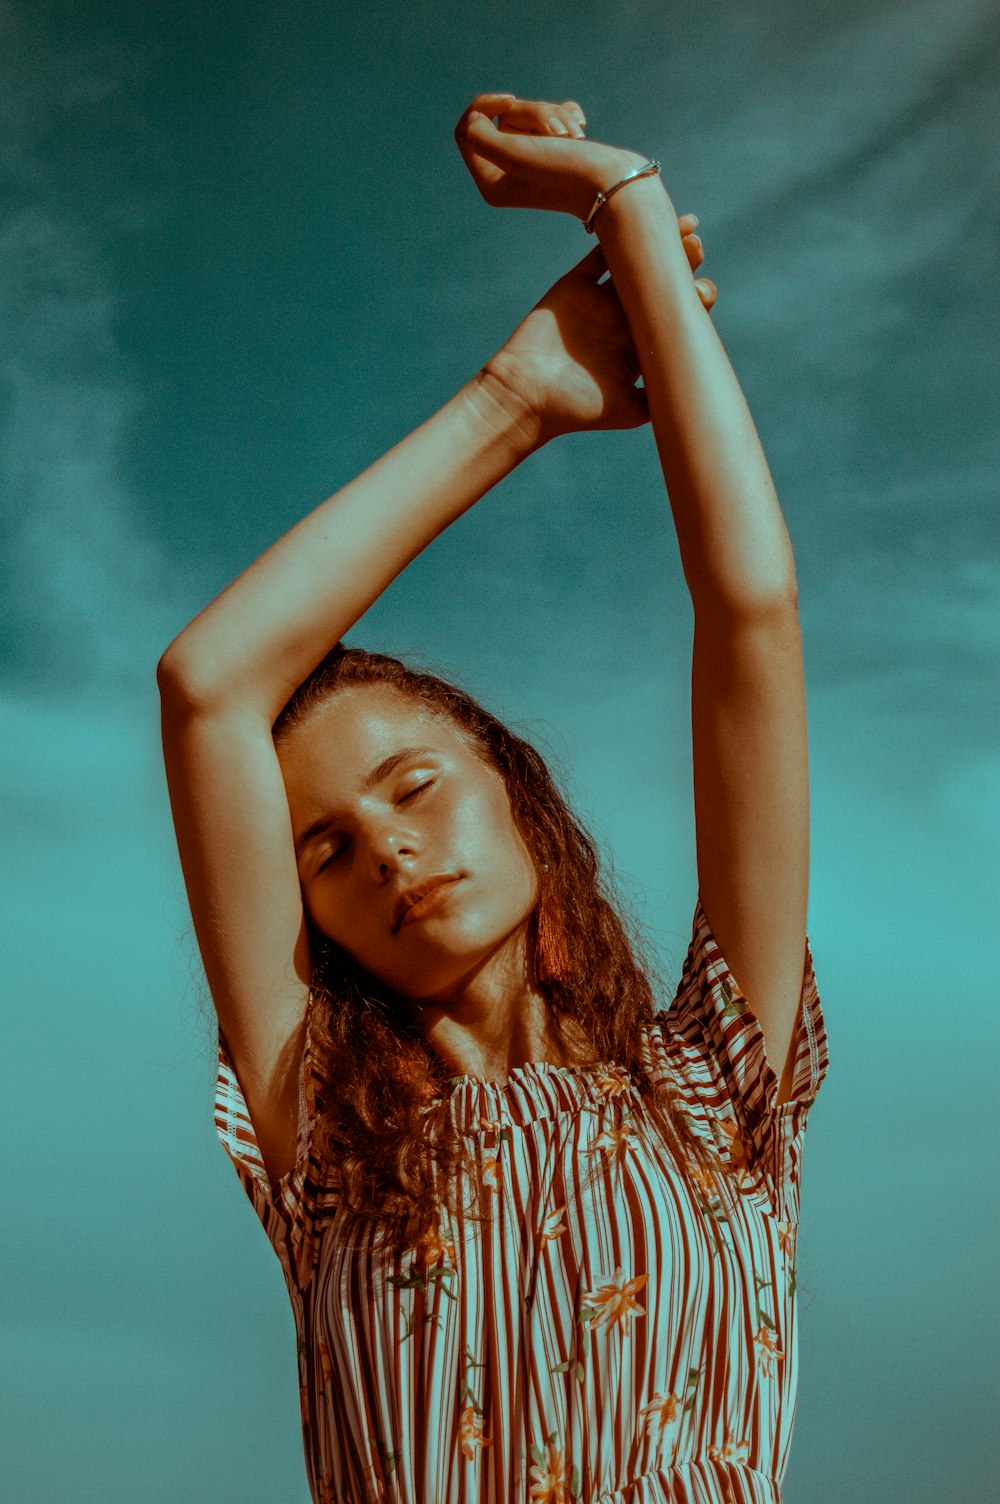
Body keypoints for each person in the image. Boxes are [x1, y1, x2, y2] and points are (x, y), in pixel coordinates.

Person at [158, 90, 830, 1504]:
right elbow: (209, 684)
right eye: (326, 849)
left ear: (516, 793)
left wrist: (625, 207)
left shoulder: (712, 1088)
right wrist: (514, 402)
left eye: (414, 785)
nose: (389, 848)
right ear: (310, 915)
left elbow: (753, 615)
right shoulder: (329, 1151)